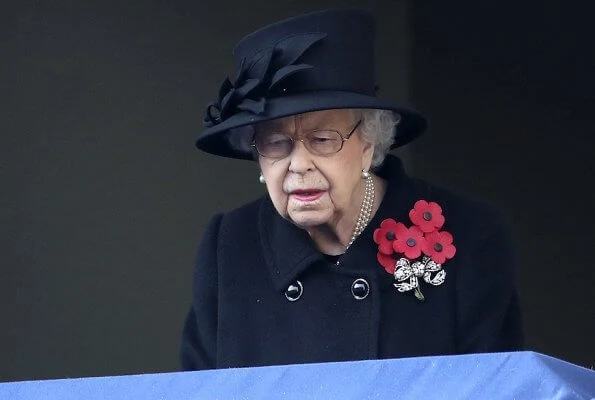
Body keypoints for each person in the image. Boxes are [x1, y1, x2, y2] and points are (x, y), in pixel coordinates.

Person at [180, 8, 523, 371]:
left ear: (369, 145)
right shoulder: (230, 246)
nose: (298, 164)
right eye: (277, 143)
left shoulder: (470, 235)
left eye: (323, 139)